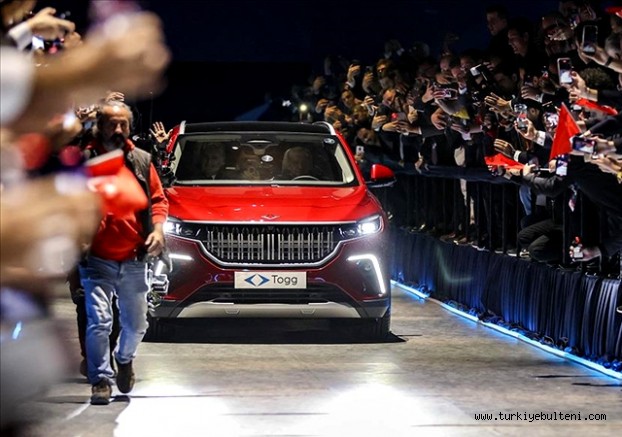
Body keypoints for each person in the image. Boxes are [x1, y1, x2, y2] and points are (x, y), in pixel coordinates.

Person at [79, 101, 168, 405]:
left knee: (137, 324)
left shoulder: (141, 160)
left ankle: (124, 358)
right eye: (111, 124)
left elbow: (159, 200)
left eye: (123, 124)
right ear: (99, 126)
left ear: (130, 127)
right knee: (99, 321)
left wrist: (158, 230)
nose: (117, 130)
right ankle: (100, 380)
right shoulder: (83, 160)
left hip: (133, 257)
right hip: (96, 259)